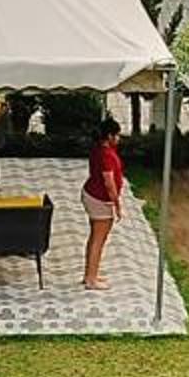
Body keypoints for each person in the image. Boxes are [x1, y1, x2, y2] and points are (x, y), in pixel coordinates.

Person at [82, 115, 125, 290]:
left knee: (95, 237)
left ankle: (90, 274)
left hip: (93, 195)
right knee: (98, 239)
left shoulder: (99, 150)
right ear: (109, 136)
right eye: (117, 135)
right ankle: (91, 279)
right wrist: (117, 204)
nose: (119, 138)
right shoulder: (106, 155)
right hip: (99, 199)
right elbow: (109, 182)